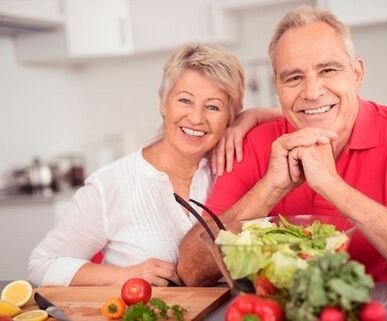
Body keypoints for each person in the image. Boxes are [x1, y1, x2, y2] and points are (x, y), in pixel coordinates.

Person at [177, 5, 387, 286]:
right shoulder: (253, 144)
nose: (311, 91)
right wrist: (272, 186)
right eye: (293, 77)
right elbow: (192, 270)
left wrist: (333, 187)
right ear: (277, 87)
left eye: (328, 70)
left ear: (357, 74)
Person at [28, 43, 281, 287]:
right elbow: (41, 265)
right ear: (163, 102)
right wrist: (123, 276)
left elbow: (298, 117)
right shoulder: (110, 184)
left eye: (213, 107)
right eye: (184, 100)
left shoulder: (232, 164)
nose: (195, 117)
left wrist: (251, 116)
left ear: (231, 115)